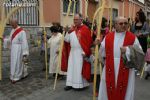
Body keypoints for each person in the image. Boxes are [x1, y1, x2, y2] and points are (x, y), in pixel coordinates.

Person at [98, 17, 143, 100]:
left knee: (125, 88)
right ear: (115, 25)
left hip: (126, 66)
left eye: (126, 23)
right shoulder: (108, 37)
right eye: (121, 23)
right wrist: (99, 44)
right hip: (110, 66)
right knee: (109, 86)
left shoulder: (132, 37)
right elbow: (102, 51)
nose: (124, 25)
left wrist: (127, 50)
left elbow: (139, 52)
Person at [62, 14, 93, 91]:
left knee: (79, 69)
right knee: (71, 68)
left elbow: (88, 42)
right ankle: (70, 84)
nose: (75, 21)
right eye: (74, 20)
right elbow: (67, 40)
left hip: (80, 52)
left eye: (76, 19)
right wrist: (67, 32)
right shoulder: (72, 29)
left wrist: (85, 52)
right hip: (72, 52)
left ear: (81, 20)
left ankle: (79, 85)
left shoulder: (85, 29)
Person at [8, 19, 29, 84]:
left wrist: (25, 52)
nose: (12, 25)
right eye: (11, 24)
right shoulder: (12, 30)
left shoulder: (21, 31)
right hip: (13, 49)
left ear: (16, 23)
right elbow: (10, 39)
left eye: (13, 24)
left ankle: (17, 77)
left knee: (18, 63)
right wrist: (5, 40)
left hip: (19, 49)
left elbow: (24, 42)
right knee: (13, 62)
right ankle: (13, 75)